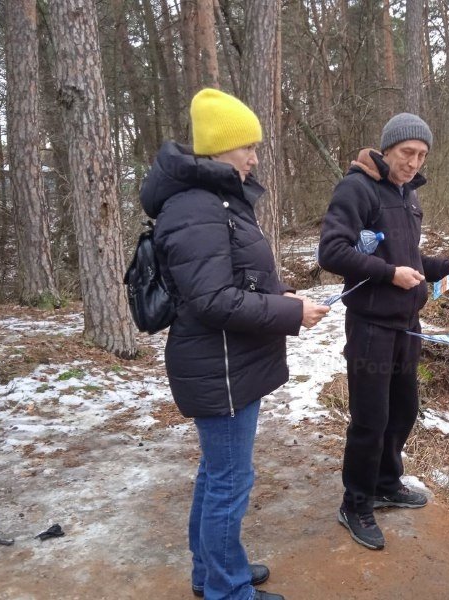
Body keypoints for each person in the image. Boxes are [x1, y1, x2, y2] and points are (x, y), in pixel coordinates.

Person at [139, 88, 330, 600]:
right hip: (218, 366)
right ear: (220, 149)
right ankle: (227, 589)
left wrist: (278, 294)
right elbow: (212, 301)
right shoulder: (195, 208)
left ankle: (213, 572)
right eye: (246, 146)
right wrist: (291, 312)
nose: (254, 156)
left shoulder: (217, 201)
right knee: (229, 481)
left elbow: (232, 281)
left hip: (229, 361)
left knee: (218, 473)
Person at [317, 113, 449, 550]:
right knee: (370, 419)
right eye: (407, 153)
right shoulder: (357, 189)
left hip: (408, 324)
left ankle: (386, 482)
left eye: (421, 155)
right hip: (370, 324)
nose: (414, 163)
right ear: (387, 149)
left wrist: (444, 267)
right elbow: (332, 251)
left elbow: (409, 257)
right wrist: (387, 274)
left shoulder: (408, 196)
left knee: (404, 410)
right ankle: (356, 502)